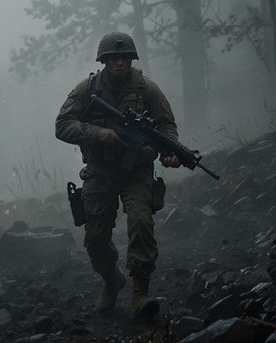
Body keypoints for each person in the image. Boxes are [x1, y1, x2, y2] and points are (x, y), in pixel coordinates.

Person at [55, 31, 182, 321]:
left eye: (124, 58)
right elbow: (62, 125)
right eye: (113, 59)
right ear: (104, 61)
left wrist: (170, 151)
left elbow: (166, 126)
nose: (119, 64)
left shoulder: (147, 90)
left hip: (137, 171)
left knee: (140, 222)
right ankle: (112, 279)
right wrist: (99, 133)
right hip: (99, 172)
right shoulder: (87, 90)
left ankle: (140, 291)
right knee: (96, 239)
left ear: (131, 59)